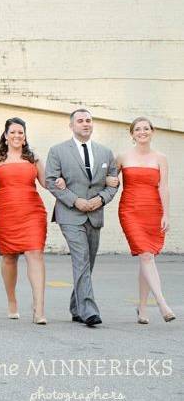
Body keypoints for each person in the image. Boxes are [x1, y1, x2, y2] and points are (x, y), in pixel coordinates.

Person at [44, 109, 118, 327]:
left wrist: (101, 199)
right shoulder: (57, 151)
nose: (85, 124)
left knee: (89, 261)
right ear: (71, 126)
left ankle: (76, 307)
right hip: (70, 214)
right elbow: (50, 180)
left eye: (88, 121)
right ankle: (89, 310)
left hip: (95, 214)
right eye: (80, 121)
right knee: (81, 258)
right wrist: (75, 200)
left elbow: (113, 183)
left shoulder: (105, 152)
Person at [0, 117, 48, 325]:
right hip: (5, 211)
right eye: (13, 132)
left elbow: (47, 183)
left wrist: (62, 180)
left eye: (20, 132)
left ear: (25, 135)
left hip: (32, 210)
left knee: (35, 253)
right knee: (9, 257)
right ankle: (12, 302)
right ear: (5, 135)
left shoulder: (34, 158)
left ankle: (39, 308)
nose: (17, 136)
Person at [115, 117, 175, 324]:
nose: (142, 132)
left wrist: (166, 214)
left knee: (146, 256)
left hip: (153, 210)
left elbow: (164, 187)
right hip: (130, 210)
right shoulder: (122, 157)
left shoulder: (161, 157)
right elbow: (109, 181)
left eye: (146, 128)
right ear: (132, 134)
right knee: (146, 255)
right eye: (138, 129)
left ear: (152, 131)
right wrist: (109, 179)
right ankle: (162, 303)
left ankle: (141, 308)